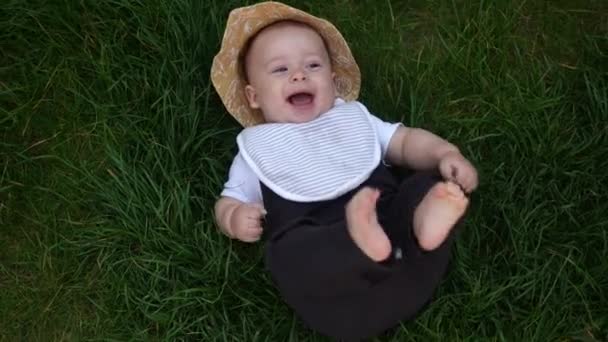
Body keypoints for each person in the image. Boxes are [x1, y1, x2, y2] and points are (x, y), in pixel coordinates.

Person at [211, 2, 478, 340]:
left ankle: (423, 223)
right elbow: (229, 199)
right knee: (287, 254)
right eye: (280, 70)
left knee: (423, 183)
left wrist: (443, 154)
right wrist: (235, 217)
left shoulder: (354, 120)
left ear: (333, 82)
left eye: (313, 64)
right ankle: (361, 243)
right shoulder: (258, 152)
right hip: (341, 299)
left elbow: (406, 142)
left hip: (406, 264)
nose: (299, 74)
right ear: (253, 96)